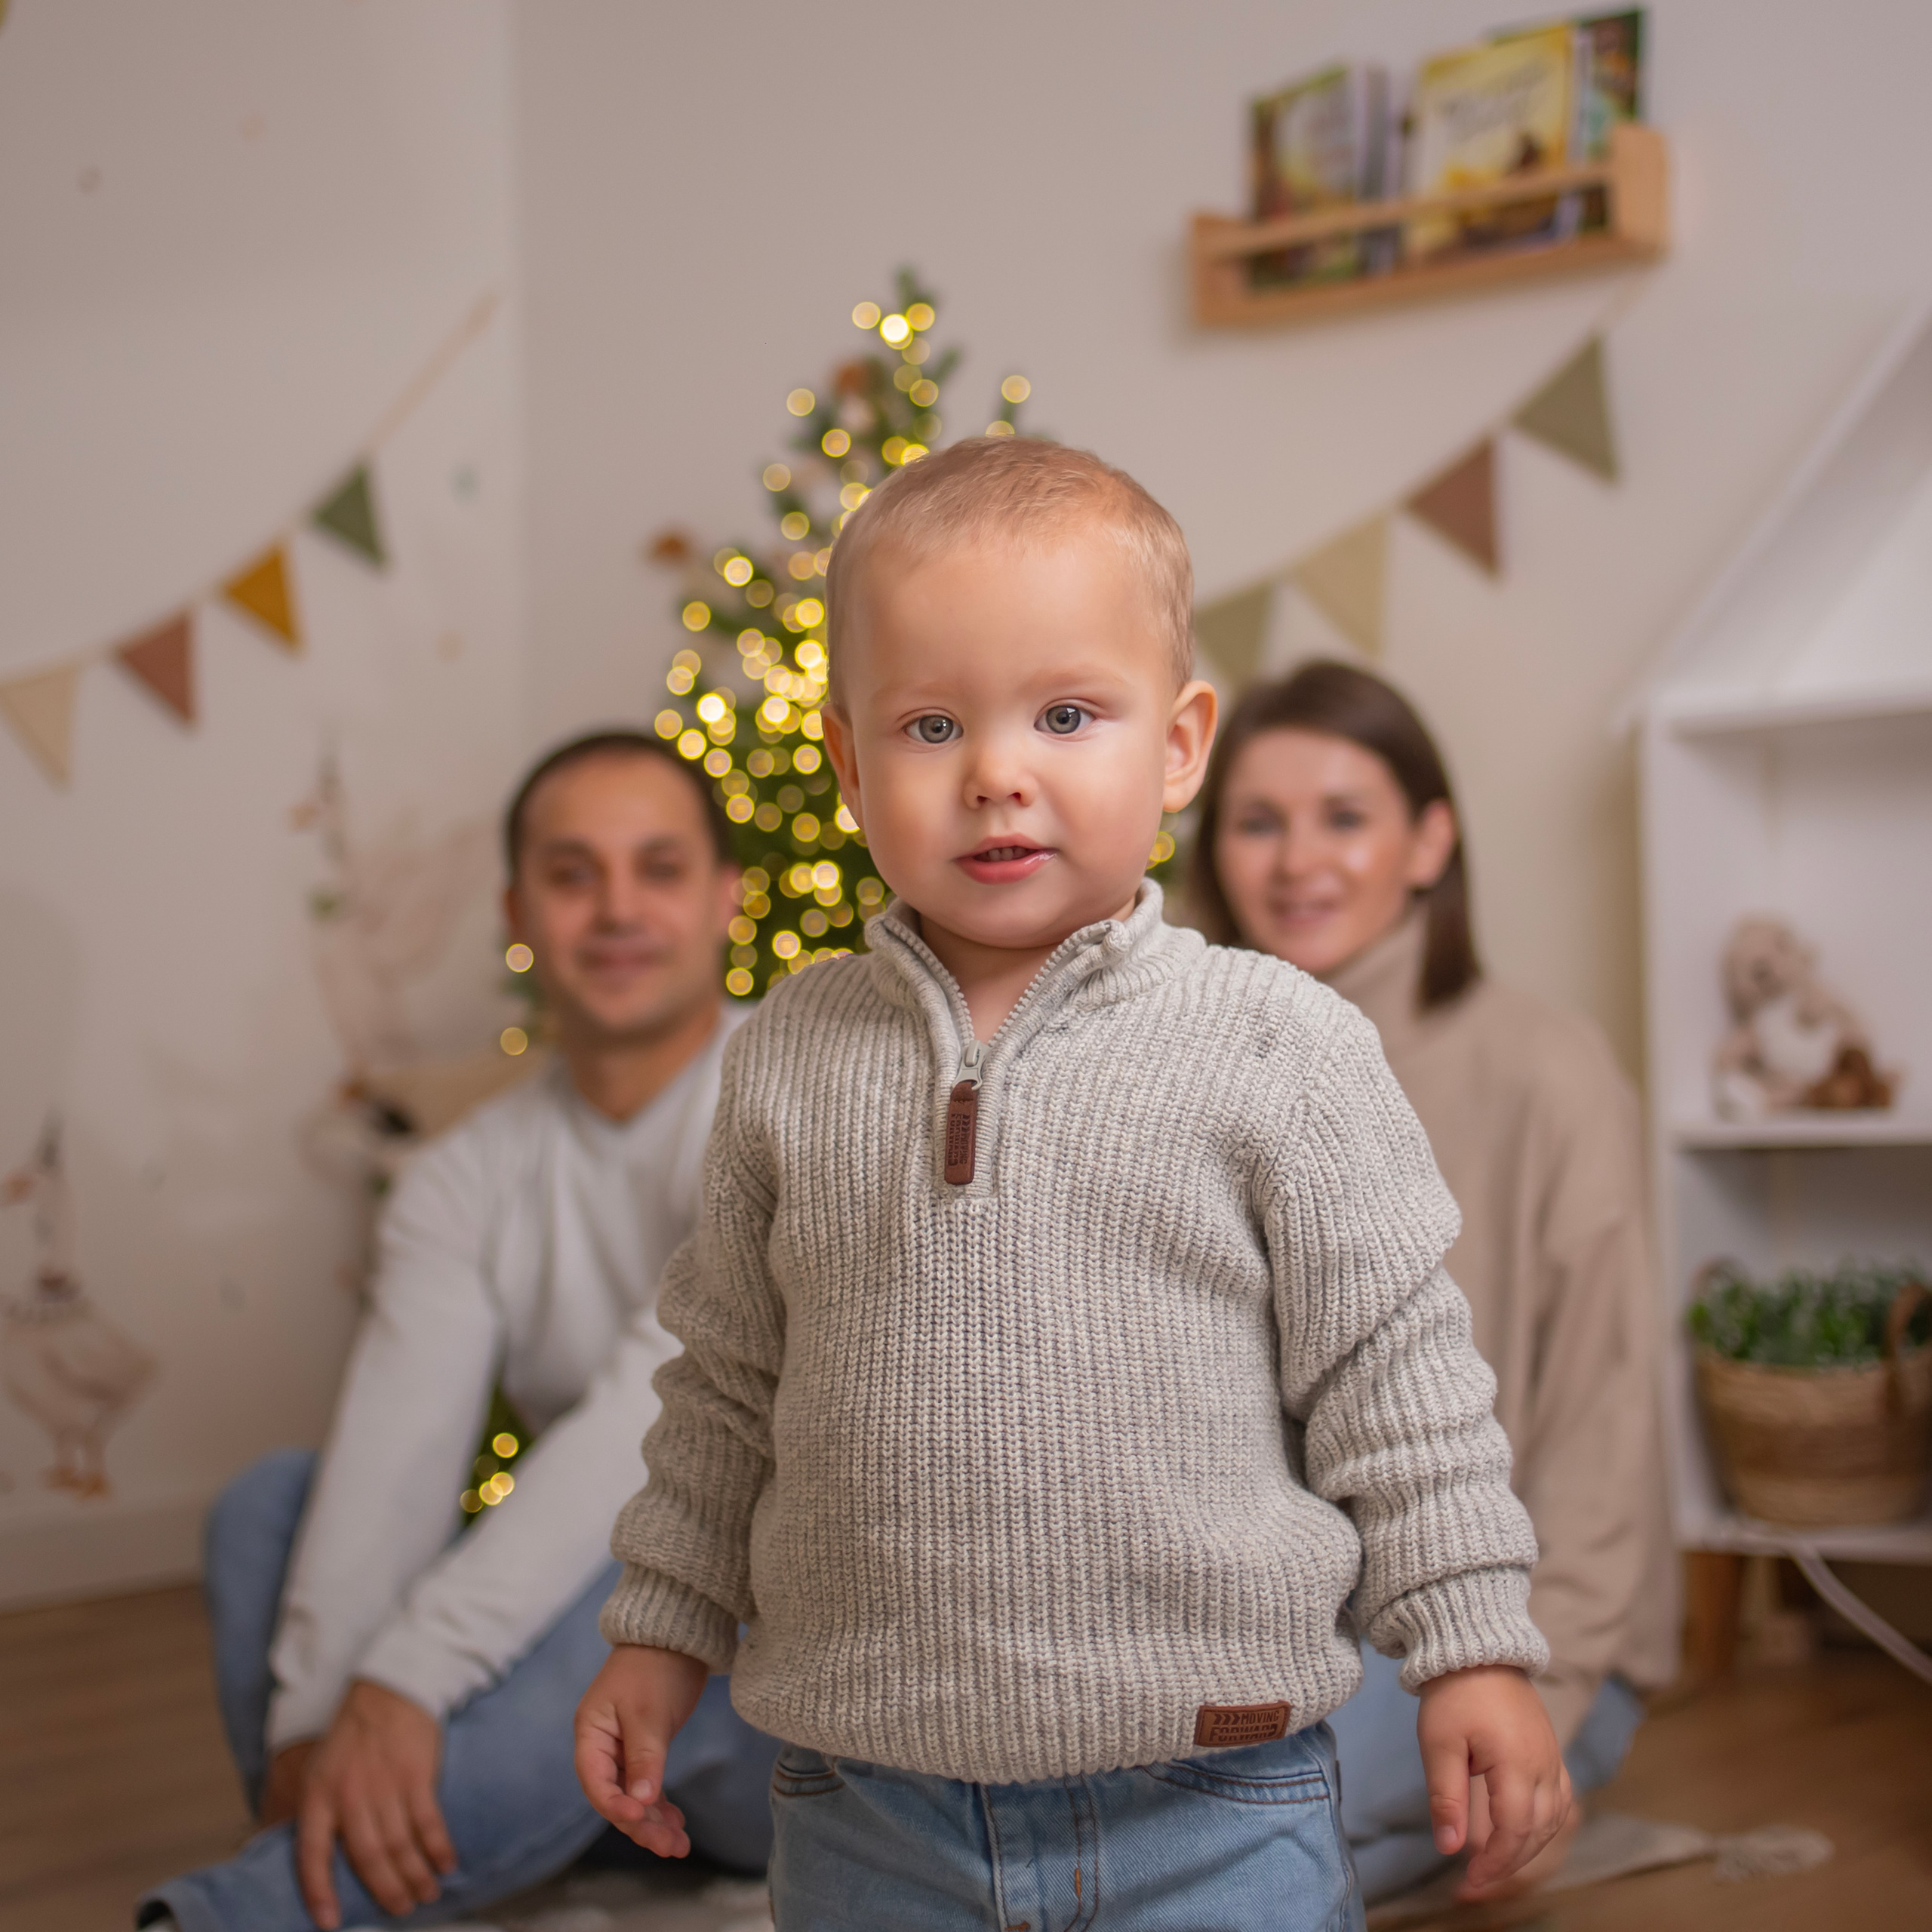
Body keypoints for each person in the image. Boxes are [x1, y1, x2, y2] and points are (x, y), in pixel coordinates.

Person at [571, 437, 1571, 1932]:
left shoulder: (1276, 1043)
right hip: (865, 1803)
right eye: (927, 724)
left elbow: (1396, 1376)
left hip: (1212, 1799)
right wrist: (659, 1629)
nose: (995, 772)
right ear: (847, 761)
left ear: (1176, 748)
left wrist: (1471, 1647)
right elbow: (725, 1384)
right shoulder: (789, 1055)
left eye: (1064, 713)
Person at [139, 732, 781, 1932]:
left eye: (659, 867)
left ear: (725, 898)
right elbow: (398, 1448)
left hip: (773, 1706)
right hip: (580, 1737)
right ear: (518, 910)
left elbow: (651, 1435)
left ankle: (244, 1912)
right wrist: (318, 1727)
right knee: (267, 1505)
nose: (618, 909)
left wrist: (411, 1678)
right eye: (575, 873)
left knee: (651, 1558)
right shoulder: (462, 1178)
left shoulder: (787, 1108)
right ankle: (332, 1832)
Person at [1191, 659, 1675, 1906]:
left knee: (1211, 1825)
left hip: (1502, 1648)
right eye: (1259, 822)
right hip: (1254, 1632)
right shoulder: (1185, 1077)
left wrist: (1546, 1712)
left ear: (1428, 842)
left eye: (1344, 818)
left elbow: (1605, 1430)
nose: (1299, 862)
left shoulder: (1544, 1072)